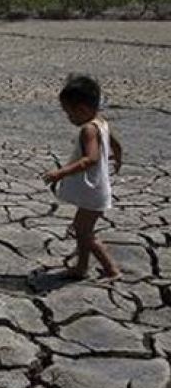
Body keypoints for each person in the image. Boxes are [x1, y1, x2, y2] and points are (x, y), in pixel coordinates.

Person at [44, 73, 123, 281]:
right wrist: (118, 156)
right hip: (96, 190)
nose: (69, 118)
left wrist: (60, 172)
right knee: (81, 229)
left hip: (93, 192)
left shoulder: (88, 129)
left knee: (85, 233)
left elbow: (91, 159)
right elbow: (116, 143)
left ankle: (111, 270)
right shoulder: (101, 122)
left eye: (69, 113)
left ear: (82, 109)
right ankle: (81, 267)